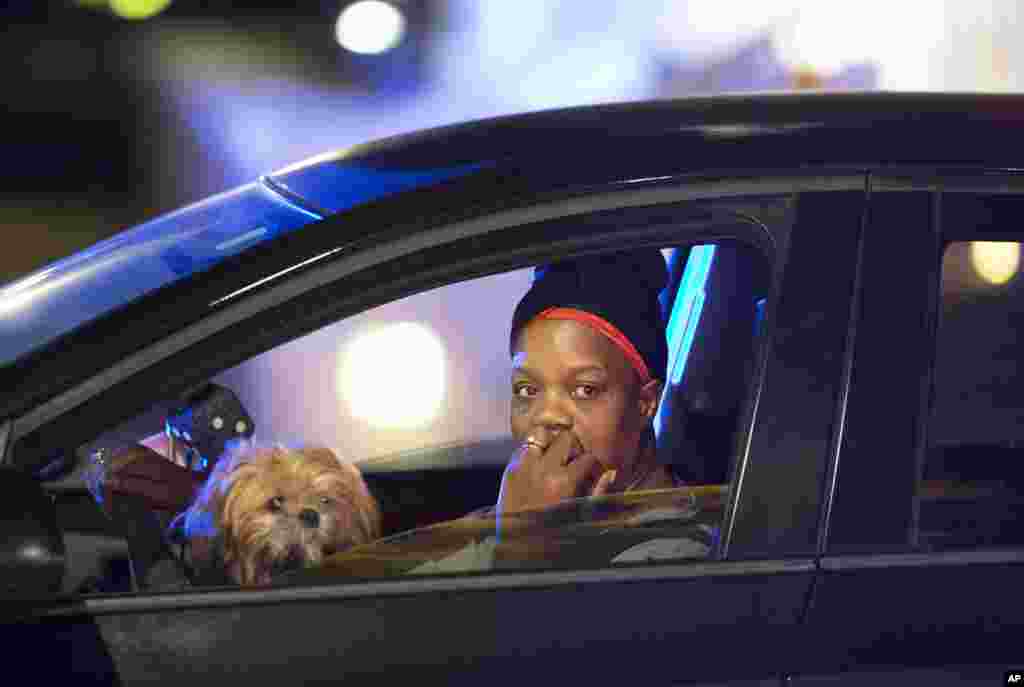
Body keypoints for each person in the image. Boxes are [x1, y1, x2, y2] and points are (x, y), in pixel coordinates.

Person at [496, 248, 684, 517]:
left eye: (585, 390)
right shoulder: (490, 520)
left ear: (645, 403)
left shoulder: (681, 549)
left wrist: (522, 546)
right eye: (527, 390)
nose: (548, 416)